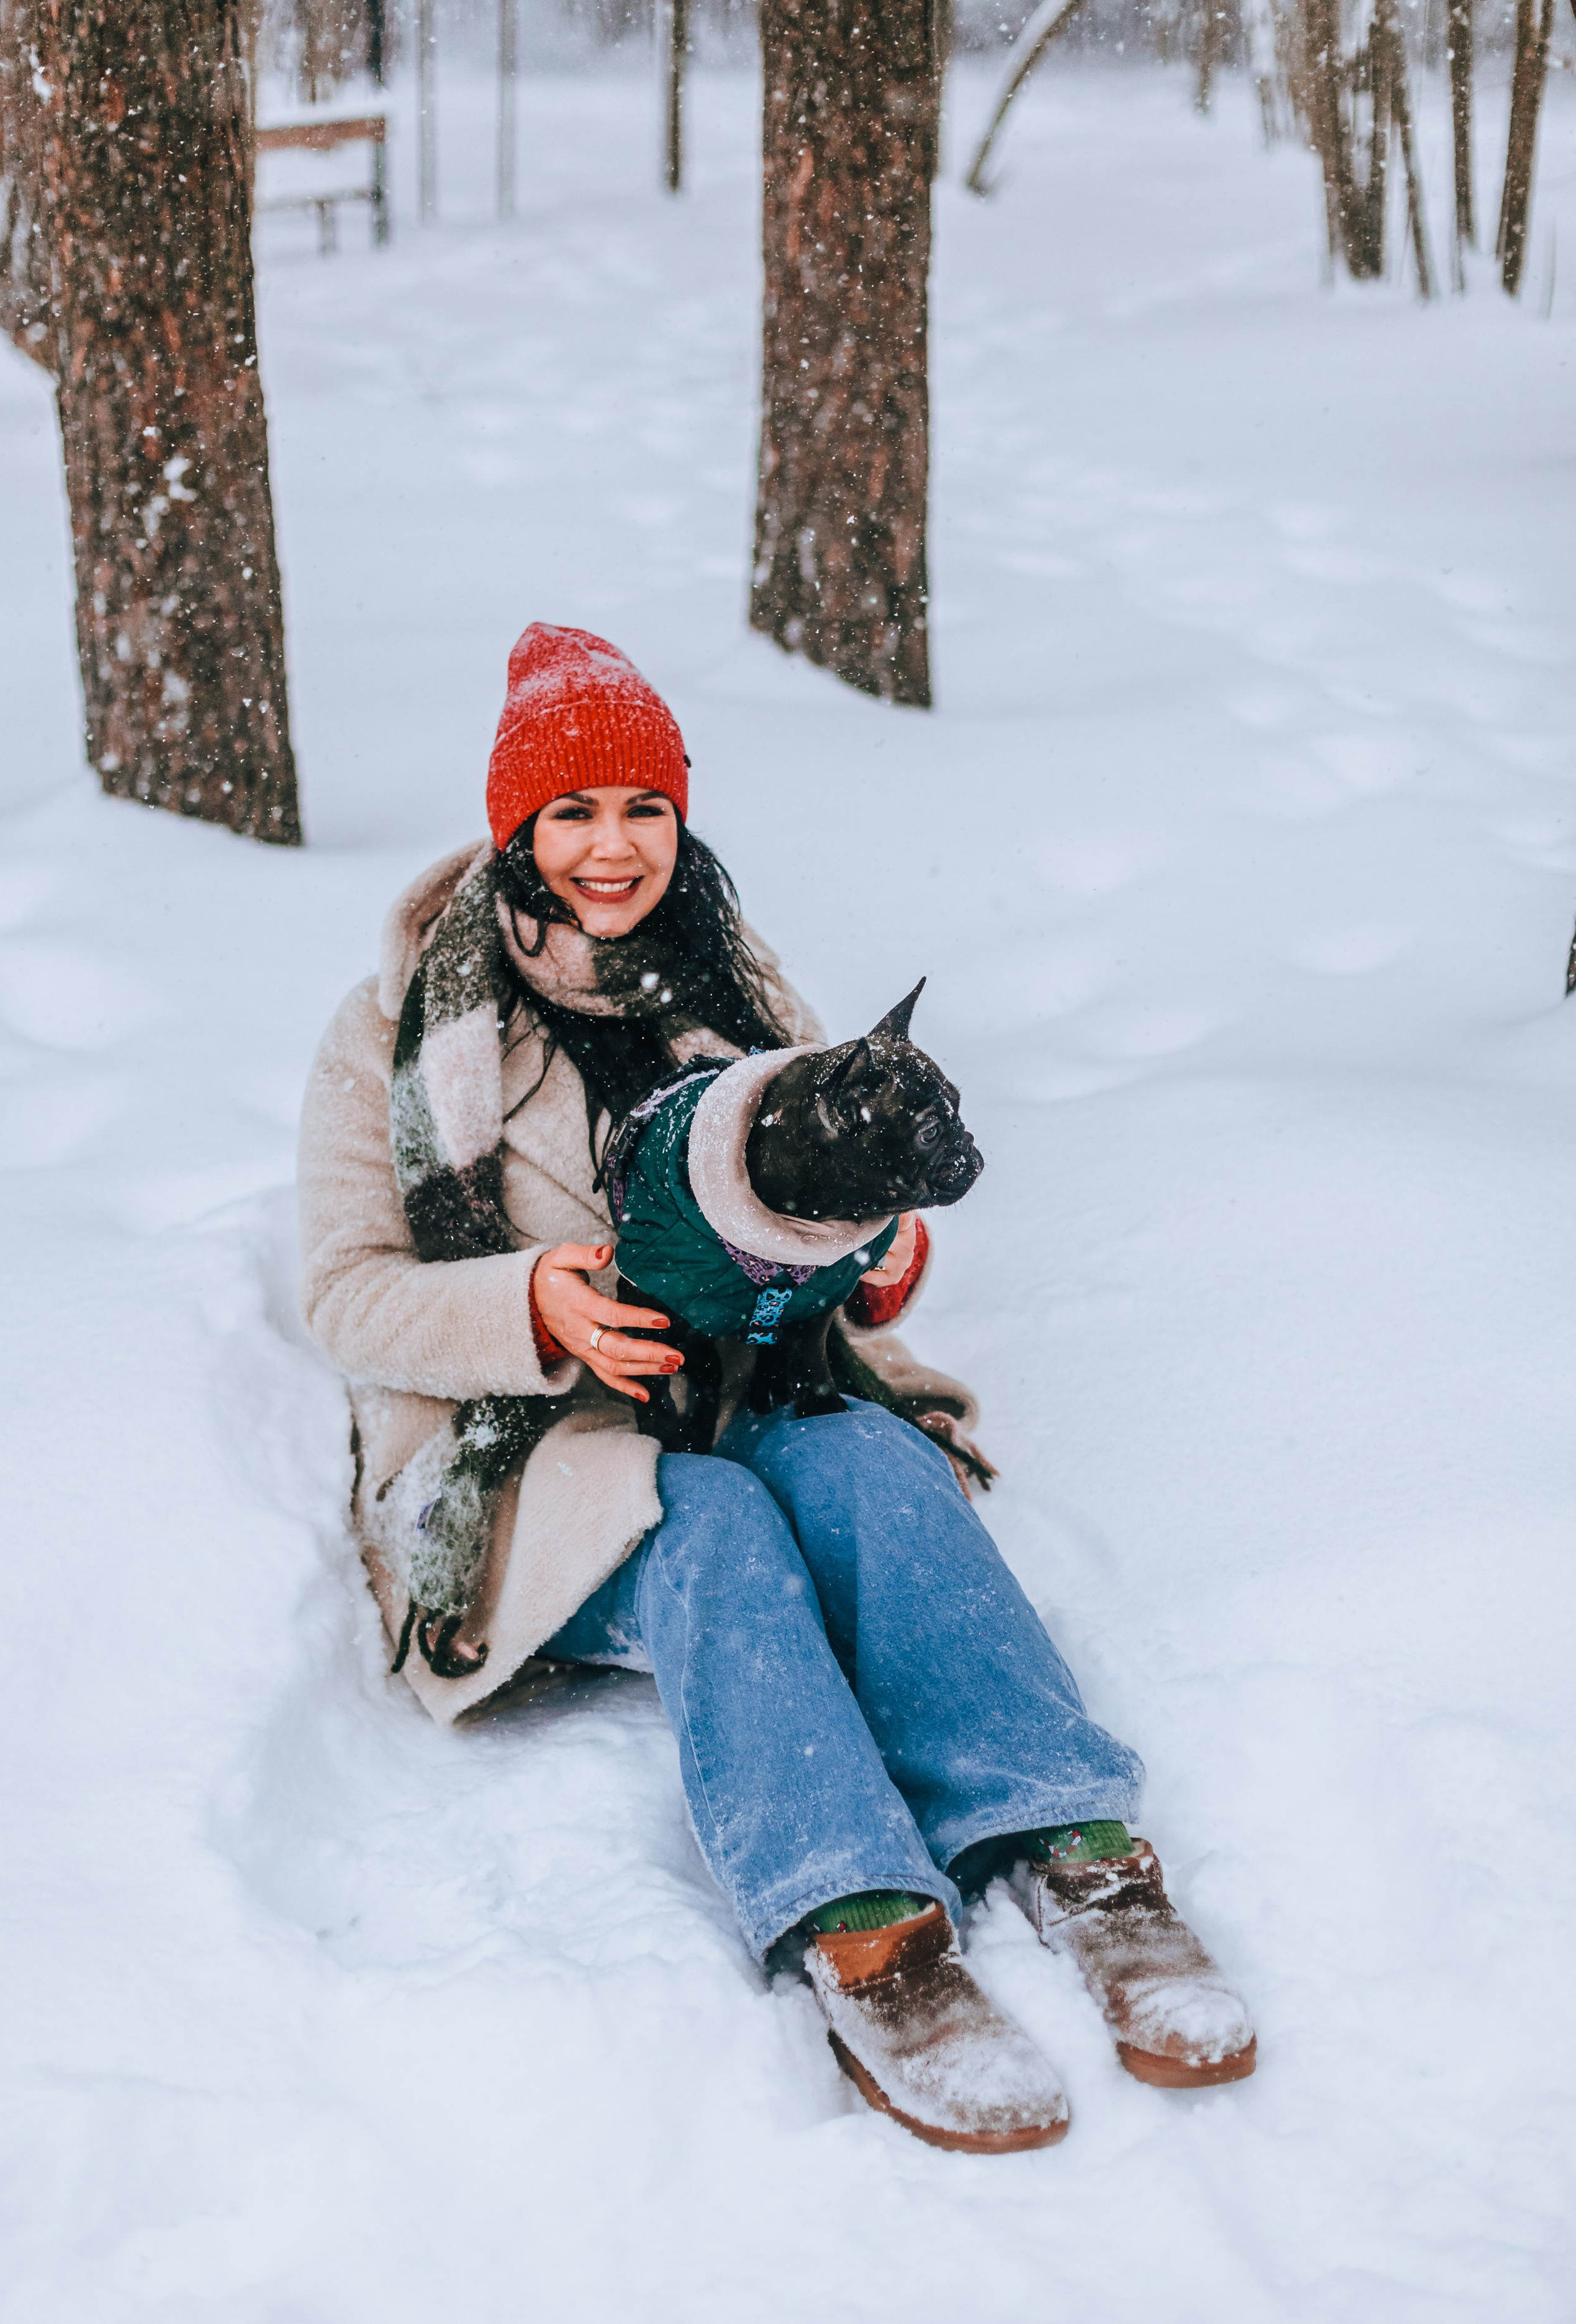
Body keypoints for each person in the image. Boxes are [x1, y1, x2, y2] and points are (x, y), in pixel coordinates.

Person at [298, 622, 1256, 2154]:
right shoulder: (393, 1030)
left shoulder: (733, 981)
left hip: (749, 1383)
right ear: (514, 833)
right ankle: (863, 1926)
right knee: (711, 1528)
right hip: (536, 1446)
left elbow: (805, 1203)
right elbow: (344, 1294)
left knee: (874, 1475)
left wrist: (866, 1260)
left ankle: (1072, 1843)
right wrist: (531, 1301)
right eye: (572, 813)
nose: (613, 849)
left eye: (644, 810)